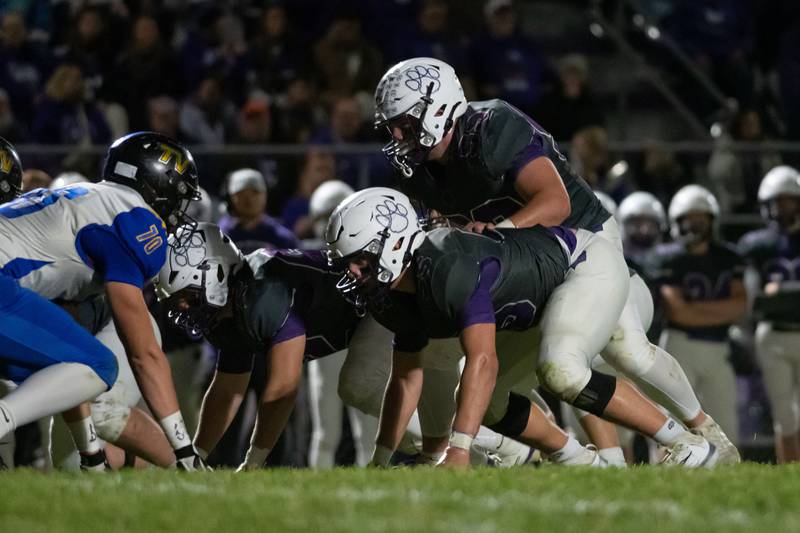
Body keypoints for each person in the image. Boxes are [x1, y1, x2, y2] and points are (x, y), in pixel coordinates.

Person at [372, 57, 739, 463]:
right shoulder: (420, 172)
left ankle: (700, 433)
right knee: (489, 391)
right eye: (393, 126)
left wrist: (500, 230)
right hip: (526, 264)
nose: (398, 135)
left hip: (580, 240)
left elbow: (555, 202)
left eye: (405, 122)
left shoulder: (489, 129)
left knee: (618, 349)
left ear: (438, 108)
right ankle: (572, 458)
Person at [326, 187, 717, 467]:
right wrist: (380, 460)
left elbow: (483, 359)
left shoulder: (447, 265)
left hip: (580, 264)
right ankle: (580, 460)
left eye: (360, 260)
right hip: (534, 304)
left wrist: (458, 450)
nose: (353, 273)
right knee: (491, 402)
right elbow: (406, 378)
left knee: (562, 370)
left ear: (393, 244)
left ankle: (687, 444)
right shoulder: (394, 290)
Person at [0, 131, 206, 470]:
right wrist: (184, 450)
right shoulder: (136, 220)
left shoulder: (73, 198)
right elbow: (143, 354)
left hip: (11, 287)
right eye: (179, 193)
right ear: (159, 183)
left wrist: (91, 453)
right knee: (101, 365)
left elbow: (61, 358)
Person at [651, 185, 747, 448]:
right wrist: (720, 311)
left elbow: (741, 307)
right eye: (689, 219)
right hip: (680, 347)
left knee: (727, 423)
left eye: (700, 219)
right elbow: (678, 311)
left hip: (718, 347)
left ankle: (728, 476)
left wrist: (697, 312)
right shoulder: (668, 257)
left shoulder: (728, 256)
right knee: (674, 419)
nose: (695, 225)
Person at [738, 165, 800, 462]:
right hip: (773, 333)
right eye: (776, 202)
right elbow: (756, 301)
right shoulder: (758, 244)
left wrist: (782, 291)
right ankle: (790, 470)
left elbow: (772, 295)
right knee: (784, 414)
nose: (782, 208)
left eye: (788, 200)